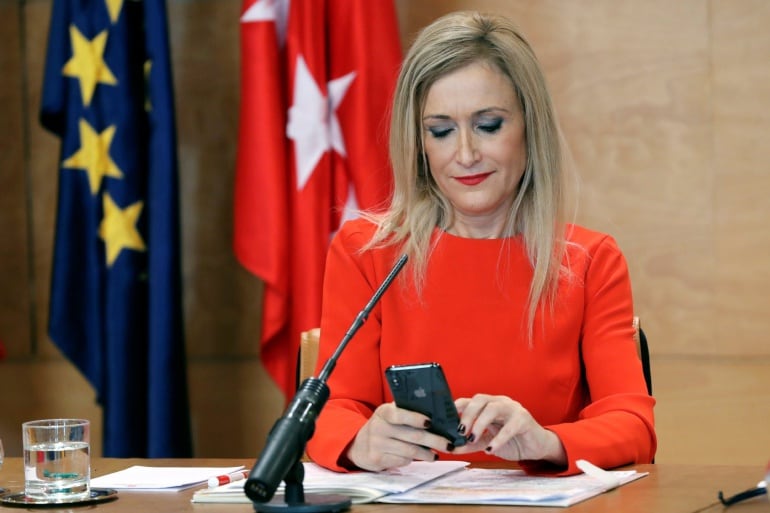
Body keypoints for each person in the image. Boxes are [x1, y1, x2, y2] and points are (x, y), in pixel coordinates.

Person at [305, 10, 656, 475]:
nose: (466, 154)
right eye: (441, 130)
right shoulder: (366, 252)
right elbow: (330, 411)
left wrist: (547, 441)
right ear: (418, 142)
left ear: (530, 127)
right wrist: (358, 442)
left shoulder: (589, 261)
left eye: (488, 125)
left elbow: (633, 426)